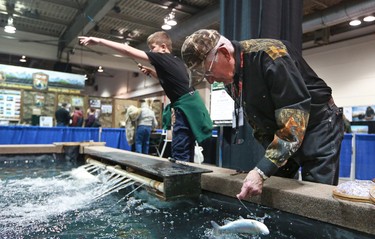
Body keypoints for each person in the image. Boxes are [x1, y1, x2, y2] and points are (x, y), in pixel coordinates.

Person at [181, 29, 344, 199]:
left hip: (318, 125)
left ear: (224, 53)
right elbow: (257, 121)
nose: (210, 81)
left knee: (316, 197)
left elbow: (294, 118)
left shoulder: (271, 55)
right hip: (283, 130)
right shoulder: (231, 79)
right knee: (279, 188)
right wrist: (268, 162)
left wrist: (261, 170)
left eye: (208, 72)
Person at [79, 31, 212, 162]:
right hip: (193, 106)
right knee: (186, 148)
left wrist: (99, 41)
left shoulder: (161, 57)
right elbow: (172, 80)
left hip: (185, 107)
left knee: (180, 151)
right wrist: (153, 72)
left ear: (163, 47)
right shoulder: (176, 61)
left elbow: (127, 51)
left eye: (153, 48)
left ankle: (180, 179)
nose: (152, 51)